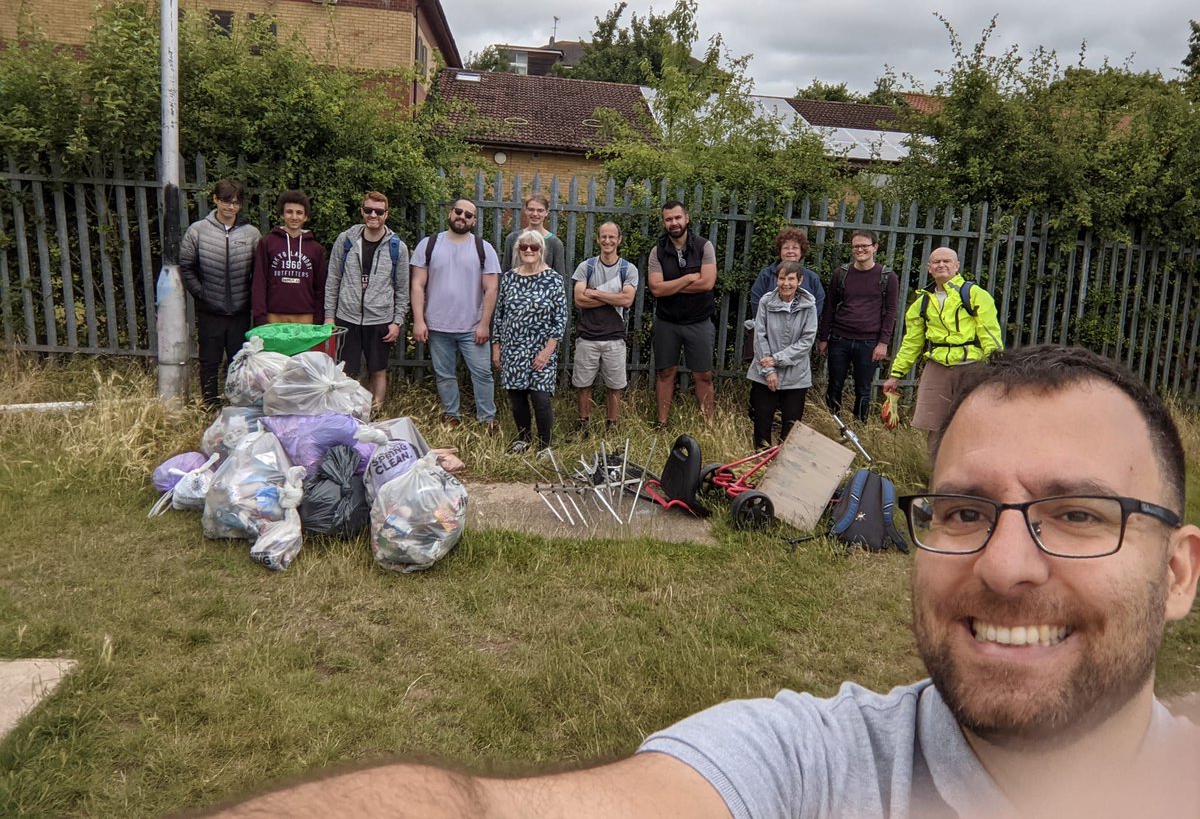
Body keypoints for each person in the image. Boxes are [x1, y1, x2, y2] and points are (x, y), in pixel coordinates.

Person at [209, 344, 1200, 818]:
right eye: (962, 513)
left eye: (1079, 514)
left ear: (1180, 572)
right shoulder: (809, 768)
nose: (1007, 564)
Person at [883, 246, 1003, 455]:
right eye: (936, 262)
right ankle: (936, 473)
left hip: (971, 366)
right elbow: (911, 342)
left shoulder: (974, 294)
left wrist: (997, 366)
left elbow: (989, 333)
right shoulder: (921, 303)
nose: (941, 265)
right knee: (933, 425)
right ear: (929, 268)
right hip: (937, 366)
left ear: (956, 266)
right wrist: (896, 374)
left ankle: (971, 472)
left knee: (972, 422)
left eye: (947, 261)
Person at [410, 198, 502, 430]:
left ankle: (487, 420)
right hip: (438, 326)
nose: (462, 217)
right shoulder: (429, 245)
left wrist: (484, 324)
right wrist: (419, 321)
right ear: (450, 212)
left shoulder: (484, 248)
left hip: (473, 327)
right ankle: (452, 416)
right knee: (444, 375)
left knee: (482, 375)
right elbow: (417, 285)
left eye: (468, 215)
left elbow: (491, 288)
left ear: (474, 221)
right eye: (458, 211)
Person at [178, 178, 260, 407]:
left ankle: (236, 405)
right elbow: (186, 265)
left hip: (240, 312)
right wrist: (201, 293)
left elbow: (259, 271)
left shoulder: (251, 233)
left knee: (239, 361)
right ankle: (210, 405)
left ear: (240, 205)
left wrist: (251, 299)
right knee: (209, 361)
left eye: (235, 203)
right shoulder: (198, 230)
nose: (230, 207)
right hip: (210, 310)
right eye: (226, 201)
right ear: (215, 199)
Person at [325, 191, 410, 412]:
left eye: (379, 211)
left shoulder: (397, 247)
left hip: (380, 319)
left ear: (386, 214)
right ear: (362, 211)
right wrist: (329, 316)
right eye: (369, 210)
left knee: (378, 370)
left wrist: (397, 321)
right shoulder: (346, 240)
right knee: (345, 371)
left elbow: (402, 288)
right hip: (347, 317)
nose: (373, 215)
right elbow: (333, 279)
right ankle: (346, 412)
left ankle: (376, 413)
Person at [491, 230, 568, 452]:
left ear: (541, 250)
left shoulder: (553, 279)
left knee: (541, 398)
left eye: (533, 247)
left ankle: (545, 446)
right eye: (524, 246)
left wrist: (548, 351)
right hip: (513, 348)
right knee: (517, 398)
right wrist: (497, 347)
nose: (528, 250)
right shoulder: (509, 278)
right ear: (517, 250)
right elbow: (500, 314)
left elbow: (560, 318)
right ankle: (523, 439)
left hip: (541, 349)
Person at [646, 201, 717, 427]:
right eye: (668, 219)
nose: (673, 223)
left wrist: (670, 286)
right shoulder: (657, 251)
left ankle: (708, 424)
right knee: (665, 372)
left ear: (687, 218)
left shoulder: (704, 246)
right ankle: (662, 422)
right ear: (663, 222)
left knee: (703, 375)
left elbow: (707, 283)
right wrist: (687, 278)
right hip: (667, 322)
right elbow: (656, 289)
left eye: (677, 217)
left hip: (699, 321)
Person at [818, 230, 900, 422]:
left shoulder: (888, 277)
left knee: (863, 388)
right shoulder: (841, 274)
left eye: (865, 246)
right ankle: (832, 424)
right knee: (834, 385)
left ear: (875, 247)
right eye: (856, 246)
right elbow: (829, 307)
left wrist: (883, 343)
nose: (860, 249)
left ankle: (859, 428)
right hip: (839, 339)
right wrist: (823, 338)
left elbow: (891, 312)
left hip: (869, 342)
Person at [571, 221, 638, 437]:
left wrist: (596, 293)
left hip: (614, 338)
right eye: (603, 237)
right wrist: (613, 297)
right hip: (587, 336)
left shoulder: (628, 269)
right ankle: (584, 426)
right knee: (583, 385)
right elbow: (580, 300)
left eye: (612, 237)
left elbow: (627, 300)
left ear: (619, 240)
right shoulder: (586, 267)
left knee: (615, 386)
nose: (607, 241)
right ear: (598, 239)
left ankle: (612, 426)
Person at [746, 260, 818, 449]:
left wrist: (778, 359)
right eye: (782, 278)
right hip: (764, 373)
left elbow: (807, 341)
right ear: (776, 280)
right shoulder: (765, 302)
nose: (786, 283)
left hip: (796, 375)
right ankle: (760, 463)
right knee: (762, 423)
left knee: (791, 427)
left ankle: (783, 468)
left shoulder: (809, 306)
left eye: (791, 279)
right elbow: (760, 336)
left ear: (800, 281)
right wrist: (769, 370)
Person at [251, 189, 327, 328]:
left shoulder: (315, 249)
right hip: (273, 316)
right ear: (282, 214)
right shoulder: (267, 243)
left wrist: (318, 318)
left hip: (306, 317)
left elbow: (320, 287)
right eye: (289, 212)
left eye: (299, 213)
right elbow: (259, 282)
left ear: (305, 217)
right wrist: (260, 317)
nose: (294, 217)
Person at [500, 193, 566, 279]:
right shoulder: (512, 238)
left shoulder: (555, 243)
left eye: (540, 210)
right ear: (525, 210)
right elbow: (505, 271)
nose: (535, 214)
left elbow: (560, 278)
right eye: (531, 209)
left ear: (546, 212)